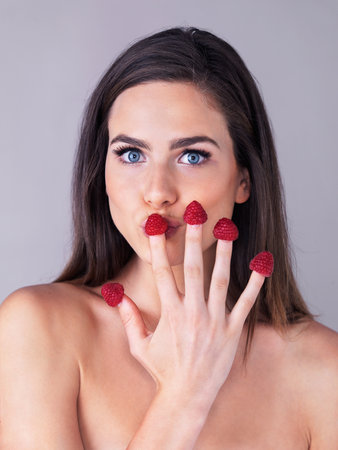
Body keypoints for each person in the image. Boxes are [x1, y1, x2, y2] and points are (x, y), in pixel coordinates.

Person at [0, 26, 337, 449]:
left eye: (192, 156)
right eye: (131, 154)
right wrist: (184, 395)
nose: (157, 191)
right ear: (101, 172)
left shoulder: (324, 371)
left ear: (244, 181)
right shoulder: (39, 327)